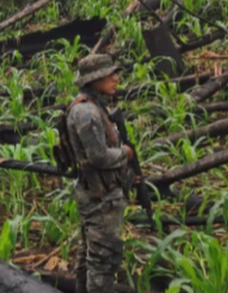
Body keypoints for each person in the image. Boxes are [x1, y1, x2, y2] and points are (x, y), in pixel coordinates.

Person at [66, 54, 135, 293]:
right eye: (109, 74)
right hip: (101, 198)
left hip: (96, 193)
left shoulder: (92, 106)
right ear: (94, 80)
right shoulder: (88, 113)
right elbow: (98, 157)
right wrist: (125, 154)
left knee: (90, 256)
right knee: (102, 262)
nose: (116, 79)